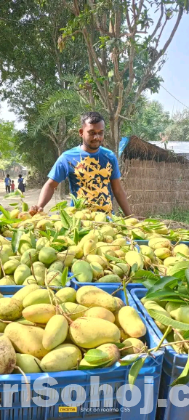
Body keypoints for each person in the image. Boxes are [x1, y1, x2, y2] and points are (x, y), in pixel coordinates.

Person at [30, 111, 131, 216]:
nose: (97, 137)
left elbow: (117, 189)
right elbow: (51, 185)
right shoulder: (67, 157)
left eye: (100, 133)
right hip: (80, 219)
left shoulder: (109, 156)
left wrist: (129, 216)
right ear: (81, 132)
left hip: (107, 219)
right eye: (92, 133)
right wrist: (39, 206)